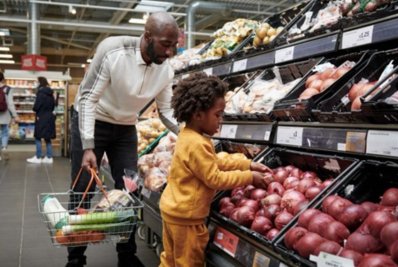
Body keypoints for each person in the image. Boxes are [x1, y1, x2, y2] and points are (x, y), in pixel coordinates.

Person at [67, 12, 179, 267]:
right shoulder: (112, 51)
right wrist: (88, 146)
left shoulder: (165, 70)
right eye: (165, 44)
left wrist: (187, 133)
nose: (170, 51)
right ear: (147, 36)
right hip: (92, 120)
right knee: (83, 189)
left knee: (129, 189)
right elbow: (87, 99)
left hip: (126, 127)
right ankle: (75, 258)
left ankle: (126, 255)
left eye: (174, 45)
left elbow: (166, 111)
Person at [159, 72, 273, 267]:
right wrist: (248, 176)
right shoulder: (197, 143)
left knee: (169, 260)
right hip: (187, 218)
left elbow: (213, 162)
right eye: (217, 115)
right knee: (189, 263)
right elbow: (215, 178)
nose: (220, 120)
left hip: (173, 212)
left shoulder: (188, 135)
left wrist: (246, 163)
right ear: (198, 115)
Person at [27, 76, 57, 164]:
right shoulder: (50, 93)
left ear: (40, 83)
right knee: (47, 137)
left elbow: (36, 107)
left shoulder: (40, 93)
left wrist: (34, 108)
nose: (35, 83)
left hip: (41, 117)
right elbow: (53, 106)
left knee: (38, 137)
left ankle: (38, 156)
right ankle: (49, 157)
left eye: (36, 82)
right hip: (49, 117)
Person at [0, 71, 19, 160]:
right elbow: (10, 104)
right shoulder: (7, 89)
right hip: (4, 114)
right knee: (4, 132)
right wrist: (15, 115)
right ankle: (4, 147)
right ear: (3, 78)